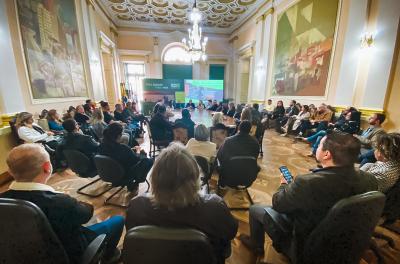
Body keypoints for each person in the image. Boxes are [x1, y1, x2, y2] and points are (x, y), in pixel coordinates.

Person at [239, 132, 378, 262]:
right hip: (344, 242)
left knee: (255, 209)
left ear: (327, 155)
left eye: (319, 145)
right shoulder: (370, 179)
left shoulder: (307, 183)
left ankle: (256, 244)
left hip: (305, 243)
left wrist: (284, 184)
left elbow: (278, 204)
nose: (316, 147)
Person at [1, 144, 124, 263]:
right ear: (47, 167)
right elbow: (86, 214)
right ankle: (108, 256)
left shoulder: (3, 199)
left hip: (25, 254)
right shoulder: (61, 202)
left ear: (10, 172)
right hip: (68, 254)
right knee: (118, 220)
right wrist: (82, 203)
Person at [126, 143, 238, 262]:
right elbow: (230, 232)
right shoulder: (215, 207)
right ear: (195, 175)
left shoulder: (136, 206)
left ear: (154, 176)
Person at [99, 123, 153, 193]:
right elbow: (137, 160)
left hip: (108, 173)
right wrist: (138, 151)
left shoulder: (101, 146)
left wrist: (131, 150)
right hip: (123, 175)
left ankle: (131, 184)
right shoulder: (123, 148)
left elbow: (118, 155)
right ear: (119, 136)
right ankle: (134, 183)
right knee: (148, 160)